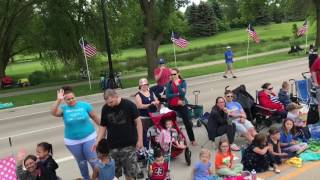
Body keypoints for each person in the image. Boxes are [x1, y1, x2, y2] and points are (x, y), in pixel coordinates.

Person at [51, 86, 100, 180]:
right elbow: (53, 112)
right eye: (68, 99)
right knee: (81, 163)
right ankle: (86, 178)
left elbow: (95, 117)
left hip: (89, 137)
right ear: (64, 100)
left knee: (94, 161)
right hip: (72, 142)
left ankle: (99, 177)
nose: (71, 100)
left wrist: (103, 130)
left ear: (75, 97)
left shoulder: (84, 105)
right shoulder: (63, 108)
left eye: (72, 98)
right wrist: (58, 100)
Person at [95, 89, 143, 180]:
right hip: (112, 146)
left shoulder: (129, 105)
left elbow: (138, 123)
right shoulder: (105, 108)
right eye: (107, 102)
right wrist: (97, 141)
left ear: (116, 96)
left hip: (129, 146)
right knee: (113, 174)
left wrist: (140, 140)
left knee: (130, 173)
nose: (109, 104)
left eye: (111, 102)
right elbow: (103, 126)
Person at [165, 68, 197, 145]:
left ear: (178, 74)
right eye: (171, 74)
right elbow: (168, 95)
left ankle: (192, 140)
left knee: (187, 122)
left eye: (174, 74)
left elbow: (183, 94)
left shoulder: (183, 82)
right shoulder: (169, 84)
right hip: (173, 105)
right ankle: (173, 140)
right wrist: (177, 95)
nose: (173, 76)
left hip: (182, 104)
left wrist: (178, 85)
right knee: (171, 123)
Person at [135, 78, 160, 147]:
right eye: (143, 85)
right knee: (146, 134)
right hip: (144, 117)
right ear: (140, 86)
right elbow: (139, 106)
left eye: (146, 85)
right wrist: (150, 105)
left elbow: (157, 100)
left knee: (155, 131)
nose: (144, 86)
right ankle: (147, 148)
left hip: (154, 115)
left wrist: (156, 102)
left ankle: (156, 147)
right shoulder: (138, 95)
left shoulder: (151, 92)